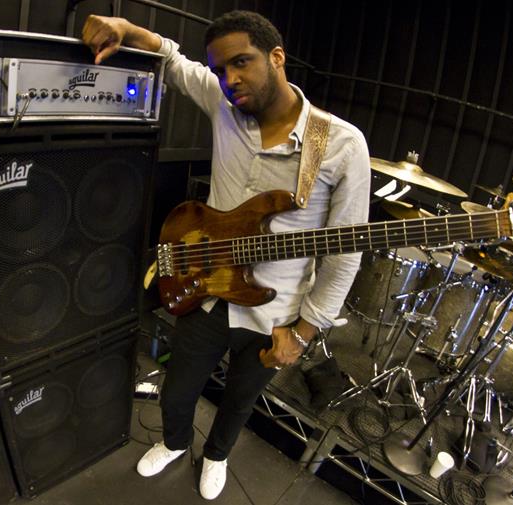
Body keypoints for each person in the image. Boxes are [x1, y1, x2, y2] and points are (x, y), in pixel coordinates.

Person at [82, 10, 370, 500]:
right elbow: (172, 60)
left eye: (241, 62)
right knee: (178, 388)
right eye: (220, 69)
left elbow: (343, 256)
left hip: (276, 312)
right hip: (208, 290)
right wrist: (127, 30)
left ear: (276, 57)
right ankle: (175, 442)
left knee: (238, 400)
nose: (229, 79)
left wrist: (302, 335)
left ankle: (216, 454)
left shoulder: (342, 145)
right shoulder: (224, 103)